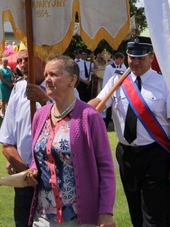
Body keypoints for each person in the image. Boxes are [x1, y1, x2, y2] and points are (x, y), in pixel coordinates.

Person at [90, 36, 170, 227]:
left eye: (141, 58)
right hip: (126, 155)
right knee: (135, 212)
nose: (135, 62)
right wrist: (71, 110)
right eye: (131, 57)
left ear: (152, 57)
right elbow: (95, 106)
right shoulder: (117, 82)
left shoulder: (164, 83)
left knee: (153, 215)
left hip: (155, 155)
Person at [24, 55, 116, 226]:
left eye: (53, 74)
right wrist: (33, 170)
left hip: (78, 217)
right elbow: (38, 157)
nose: (47, 80)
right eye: (45, 75)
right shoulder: (40, 115)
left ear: (72, 80)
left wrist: (105, 212)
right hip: (43, 215)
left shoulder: (89, 117)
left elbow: (106, 168)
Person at [0, 53, 50, 227]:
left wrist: (44, 101)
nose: (22, 64)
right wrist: (25, 172)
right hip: (25, 178)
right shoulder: (19, 89)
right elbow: (7, 142)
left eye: (27, 59)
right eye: (19, 61)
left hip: (56, 180)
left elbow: (71, 129)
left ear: (44, 59)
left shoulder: (63, 88)